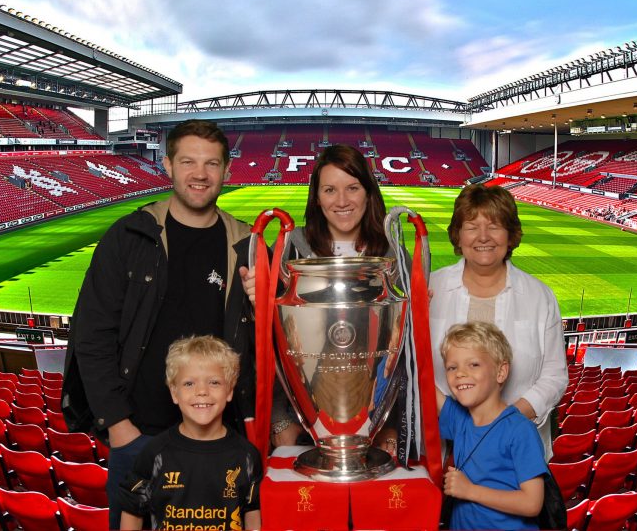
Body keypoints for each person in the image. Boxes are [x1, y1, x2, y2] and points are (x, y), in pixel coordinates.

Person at [61, 119, 256, 529]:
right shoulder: (129, 236)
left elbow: (265, 344)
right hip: (139, 435)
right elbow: (91, 335)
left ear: (226, 170)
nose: (199, 174)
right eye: (188, 161)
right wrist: (119, 425)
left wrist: (262, 303)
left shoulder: (247, 245)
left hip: (221, 440)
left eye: (211, 163)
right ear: (166, 166)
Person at [239, 144, 396, 447]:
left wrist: (390, 423)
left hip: (374, 419)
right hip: (302, 418)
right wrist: (278, 419)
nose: (342, 201)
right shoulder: (291, 248)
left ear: (368, 192)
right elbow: (271, 342)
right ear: (317, 197)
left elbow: (402, 353)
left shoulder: (391, 254)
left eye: (352, 187)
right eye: (329, 190)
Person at [429, 184, 567, 459]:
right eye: (471, 226)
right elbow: (412, 367)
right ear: (458, 234)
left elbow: (554, 376)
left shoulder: (540, 295)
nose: (483, 237)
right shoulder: (431, 288)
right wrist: (457, 422)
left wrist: (502, 423)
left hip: (515, 453)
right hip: (440, 451)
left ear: (510, 234)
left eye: (494, 226)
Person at [120, 335, 262, 530]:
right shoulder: (154, 454)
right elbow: (132, 512)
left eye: (214, 382)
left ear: (229, 391)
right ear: (174, 392)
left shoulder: (246, 455)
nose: (201, 391)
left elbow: (253, 514)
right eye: (189, 383)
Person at [436, 322, 546, 530]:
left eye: (473, 364)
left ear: (501, 372)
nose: (460, 373)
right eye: (452, 367)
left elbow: (532, 503)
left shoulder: (520, 430)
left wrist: (469, 491)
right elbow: (420, 378)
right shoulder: (460, 419)